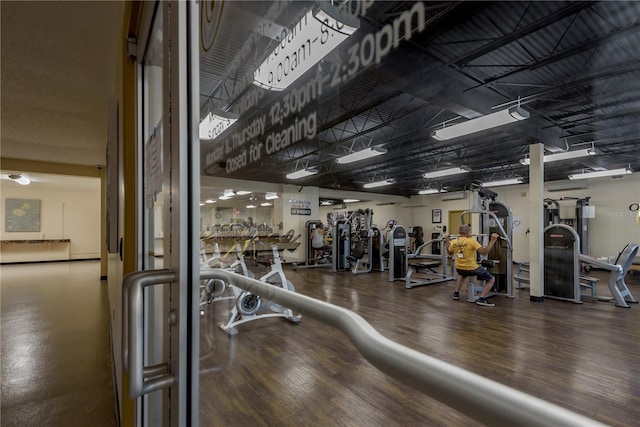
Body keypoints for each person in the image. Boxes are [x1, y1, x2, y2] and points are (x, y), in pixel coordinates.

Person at [444, 224, 499, 307]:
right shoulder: (472, 241)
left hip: (459, 268)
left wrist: (447, 241)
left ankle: (456, 293)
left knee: (462, 274)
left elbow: (449, 253)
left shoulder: (454, 241)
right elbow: (484, 252)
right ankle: (482, 299)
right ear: (468, 232)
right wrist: (492, 241)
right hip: (472, 268)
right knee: (491, 279)